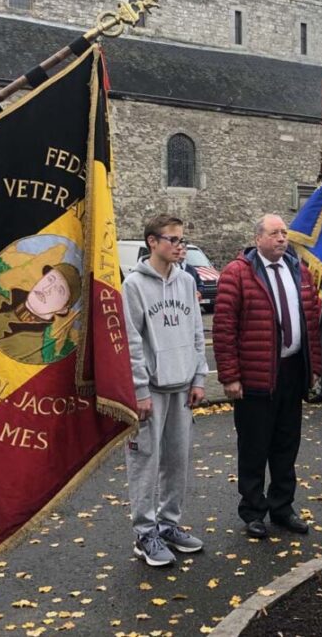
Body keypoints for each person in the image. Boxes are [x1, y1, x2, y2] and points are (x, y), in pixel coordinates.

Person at [213, 214, 322, 539]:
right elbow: (224, 329)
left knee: (286, 445)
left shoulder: (298, 271)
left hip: (291, 372)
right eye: (275, 233)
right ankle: (253, 510)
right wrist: (230, 377)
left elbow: (311, 322)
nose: (282, 238)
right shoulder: (238, 273)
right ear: (258, 237)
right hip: (255, 376)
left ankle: (282, 506)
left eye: (284, 233)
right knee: (254, 446)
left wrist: (314, 368)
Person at [122, 214, 208, 567]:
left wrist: (199, 378)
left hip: (181, 385)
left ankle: (168, 524)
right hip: (152, 390)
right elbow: (131, 341)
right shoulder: (134, 286)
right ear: (152, 242)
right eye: (172, 240)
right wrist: (139, 389)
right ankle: (145, 533)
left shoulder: (187, 281)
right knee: (145, 460)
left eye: (182, 240)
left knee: (177, 458)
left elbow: (196, 331)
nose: (179, 246)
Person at [0, 257, 82, 365]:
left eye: (59, 290)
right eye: (50, 279)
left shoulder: (32, 354)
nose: (47, 289)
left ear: (63, 310)